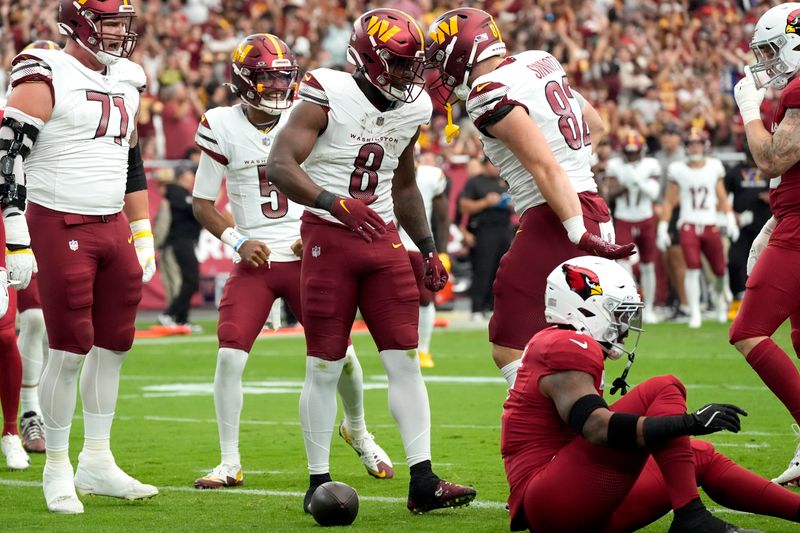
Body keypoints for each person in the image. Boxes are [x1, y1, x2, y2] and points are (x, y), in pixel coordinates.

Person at [266, 8, 476, 514]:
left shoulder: (414, 107)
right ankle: (318, 480)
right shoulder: (327, 90)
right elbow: (279, 164)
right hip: (329, 236)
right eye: (399, 64)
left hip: (382, 238)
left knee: (405, 359)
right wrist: (332, 202)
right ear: (367, 59)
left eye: (413, 65)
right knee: (323, 364)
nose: (409, 75)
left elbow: (404, 185)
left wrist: (427, 246)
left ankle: (423, 480)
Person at [191, 33, 392, 489]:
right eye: (266, 78)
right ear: (243, 80)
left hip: (309, 256)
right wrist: (237, 239)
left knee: (340, 357)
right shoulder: (221, 123)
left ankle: (358, 431)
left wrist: (318, 228)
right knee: (229, 356)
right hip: (257, 261)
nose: (277, 87)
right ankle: (229, 462)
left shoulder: (308, 118)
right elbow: (202, 202)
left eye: (283, 77)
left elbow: (334, 182)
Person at [502, 255, 800, 533]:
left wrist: (682, 429)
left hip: (574, 500)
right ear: (585, 307)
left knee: (699, 458)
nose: (625, 327)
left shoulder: (557, 342)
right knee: (664, 386)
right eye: (619, 313)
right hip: (552, 498)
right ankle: (691, 517)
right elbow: (596, 427)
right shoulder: (564, 345)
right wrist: (689, 423)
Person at [424, 7, 635, 388]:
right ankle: (580, 424)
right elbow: (596, 125)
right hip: (589, 203)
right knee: (577, 339)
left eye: (443, 58)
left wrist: (575, 230)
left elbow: (545, 166)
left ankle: (540, 426)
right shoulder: (537, 61)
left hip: (557, 215)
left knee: (510, 343)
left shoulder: (487, 92)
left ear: (462, 51)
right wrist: (577, 175)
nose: (442, 71)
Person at [7, 0, 158, 513]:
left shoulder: (129, 78)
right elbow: (7, 157)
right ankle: (56, 467)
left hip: (110, 221)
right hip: (57, 218)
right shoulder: (45, 71)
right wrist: (14, 234)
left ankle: (97, 459)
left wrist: (142, 230)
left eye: (123, 24)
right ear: (79, 25)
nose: (120, 33)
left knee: (115, 344)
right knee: (69, 349)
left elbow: (129, 158)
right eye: (110, 22)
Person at [731, 2, 800, 485]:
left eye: (774, 48)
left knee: (749, 331)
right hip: (790, 219)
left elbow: (775, 160)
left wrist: (748, 111)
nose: (768, 60)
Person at [657, 128, 739, 329]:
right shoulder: (678, 169)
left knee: (720, 271)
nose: (694, 147)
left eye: (698, 143)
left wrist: (730, 218)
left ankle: (720, 302)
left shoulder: (714, 167)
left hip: (710, 223)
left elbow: (721, 195)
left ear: (705, 146)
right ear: (686, 147)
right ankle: (695, 312)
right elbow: (668, 201)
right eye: (691, 144)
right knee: (692, 268)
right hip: (688, 224)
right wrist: (662, 226)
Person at [604, 129, 661, 323]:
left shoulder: (650, 164)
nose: (631, 155)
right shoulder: (615, 166)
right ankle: (630, 306)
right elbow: (609, 193)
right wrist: (627, 185)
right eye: (628, 152)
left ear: (642, 150)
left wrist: (637, 182)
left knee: (648, 264)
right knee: (623, 265)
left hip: (645, 218)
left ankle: (650, 308)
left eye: (634, 151)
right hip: (624, 217)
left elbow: (654, 193)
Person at [398, 150, 449, 369]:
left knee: (425, 297)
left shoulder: (429, 177)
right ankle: (401, 349)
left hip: (417, 246)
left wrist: (443, 250)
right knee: (393, 300)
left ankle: (423, 349)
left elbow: (443, 216)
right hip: (390, 244)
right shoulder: (381, 172)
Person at [458, 158, 513, 322]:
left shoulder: (504, 181)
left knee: (501, 270)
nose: (496, 167)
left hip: (504, 229)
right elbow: (464, 206)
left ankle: (493, 306)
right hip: (484, 229)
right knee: (483, 268)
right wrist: (486, 202)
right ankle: (477, 308)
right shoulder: (475, 182)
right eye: (493, 163)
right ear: (485, 164)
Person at [723, 145, 771, 312]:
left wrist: (772, 196)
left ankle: (765, 298)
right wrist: (731, 214)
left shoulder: (771, 168)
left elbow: (786, 189)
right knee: (736, 260)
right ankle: (739, 295)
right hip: (741, 226)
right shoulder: (735, 172)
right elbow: (722, 194)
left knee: (765, 263)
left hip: (765, 225)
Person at [159, 164, 202, 328]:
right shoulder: (175, 191)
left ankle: (182, 319)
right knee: (190, 280)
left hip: (186, 241)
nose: (192, 175)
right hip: (179, 241)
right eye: (189, 172)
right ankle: (169, 314)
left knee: (189, 281)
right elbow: (192, 208)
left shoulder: (185, 193)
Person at [655, 122, 689, 321]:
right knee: (668, 259)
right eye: (664, 134)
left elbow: (680, 191)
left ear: (678, 137)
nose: (667, 138)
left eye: (671, 134)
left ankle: (687, 303)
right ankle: (677, 301)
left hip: (680, 211)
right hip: (663, 209)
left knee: (679, 259)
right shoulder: (659, 158)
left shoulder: (683, 158)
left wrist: (665, 208)